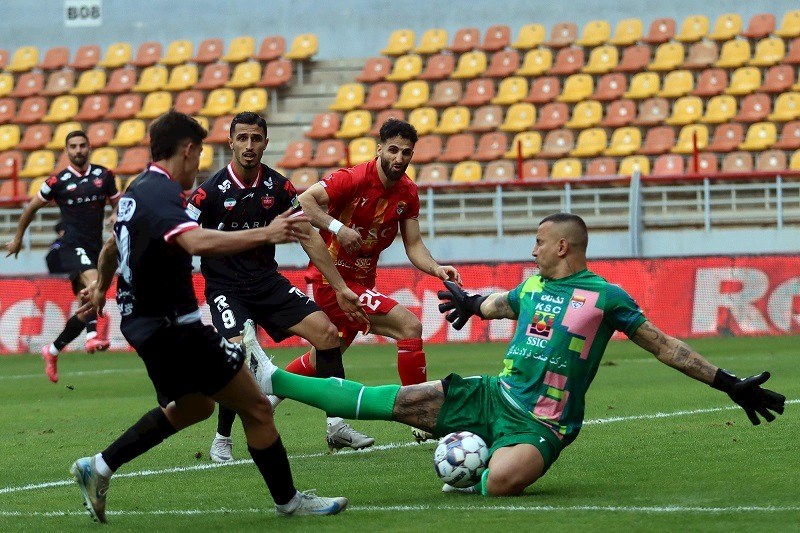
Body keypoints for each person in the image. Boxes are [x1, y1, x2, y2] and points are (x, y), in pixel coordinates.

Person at [241, 212, 785, 497]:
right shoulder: (532, 286)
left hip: (544, 424)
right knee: (391, 401)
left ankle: (474, 464)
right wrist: (469, 303)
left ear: (563, 247)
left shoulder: (606, 298)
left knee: (500, 484)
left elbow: (665, 346)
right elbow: (498, 303)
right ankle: (270, 378)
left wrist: (727, 382)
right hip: (494, 395)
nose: (533, 248)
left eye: (539, 241)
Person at [72, 111, 347, 523]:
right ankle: (290, 500)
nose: (199, 162)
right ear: (187, 150)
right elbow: (195, 241)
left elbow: (111, 248)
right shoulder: (162, 193)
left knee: (194, 407)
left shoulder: (136, 190)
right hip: (174, 328)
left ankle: (99, 466)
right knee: (257, 407)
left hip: (145, 325)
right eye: (199, 152)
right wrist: (266, 233)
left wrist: (100, 289)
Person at [186, 111, 373, 462]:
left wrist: (340, 287)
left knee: (327, 334)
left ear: (265, 144)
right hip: (226, 288)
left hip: (267, 284)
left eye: (256, 139)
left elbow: (309, 237)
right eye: (242, 138)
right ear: (230, 143)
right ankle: (222, 438)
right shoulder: (207, 194)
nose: (249, 145)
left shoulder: (279, 187)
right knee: (237, 356)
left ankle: (336, 425)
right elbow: (182, 240)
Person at [297, 118, 461, 441]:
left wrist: (437, 269)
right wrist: (338, 228)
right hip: (334, 282)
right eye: (393, 150)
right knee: (409, 326)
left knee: (327, 354)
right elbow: (303, 202)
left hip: (360, 283)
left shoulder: (408, 192)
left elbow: (414, 245)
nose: (399, 158)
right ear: (379, 149)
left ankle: (268, 389)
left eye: (406, 152)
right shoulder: (354, 178)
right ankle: (420, 415)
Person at [6, 130, 119, 381]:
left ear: (89, 148)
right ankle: (92, 336)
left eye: (82, 145)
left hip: (95, 247)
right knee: (95, 283)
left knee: (86, 304)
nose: (78, 150)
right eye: (73, 146)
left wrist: (115, 214)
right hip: (71, 245)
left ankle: (52, 350)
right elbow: (31, 208)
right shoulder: (57, 181)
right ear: (66, 151)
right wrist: (18, 238)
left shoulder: (104, 175)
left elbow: (117, 204)